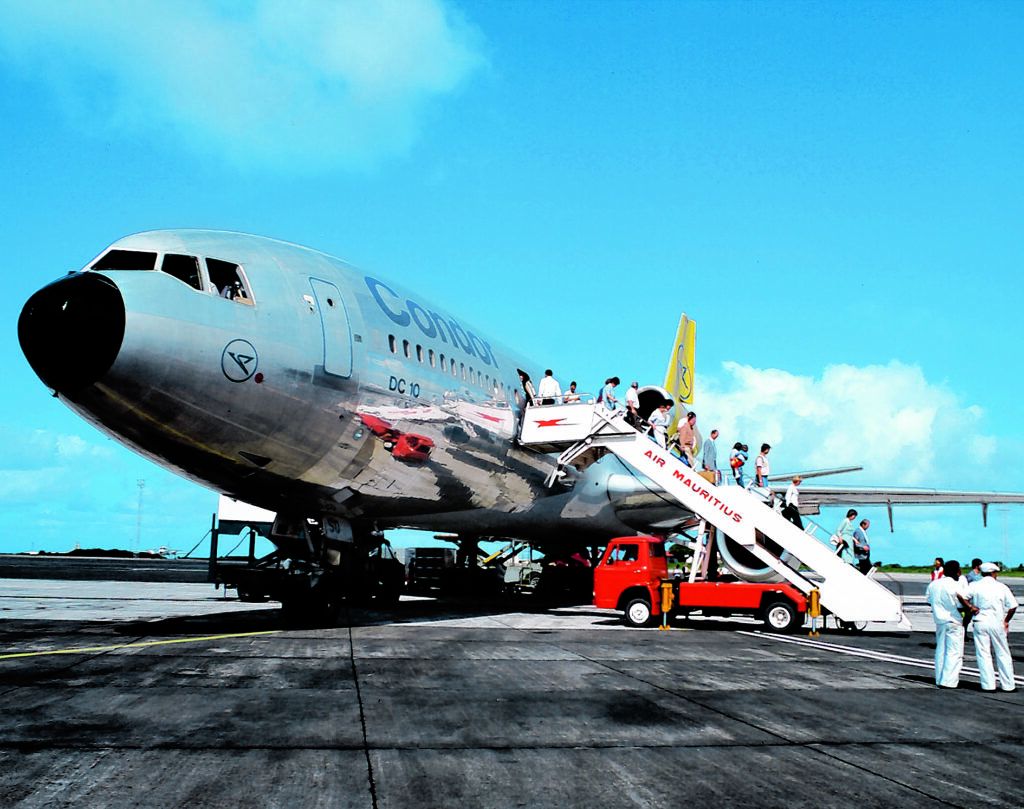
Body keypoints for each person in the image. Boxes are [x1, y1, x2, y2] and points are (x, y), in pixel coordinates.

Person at [967, 562, 1018, 692]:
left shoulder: (974, 585)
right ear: (993, 573)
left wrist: (971, 607)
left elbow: (962, 597)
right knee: (1003, 653)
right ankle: (1008, 685)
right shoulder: (1002, 587)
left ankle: (988, 685)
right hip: (997, 621)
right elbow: (1013, 606)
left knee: (983, 653)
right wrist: (1006, 620)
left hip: (980, 621)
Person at [926, 560, 973, 689]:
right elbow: (961, 604)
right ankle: (949, 681)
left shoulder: (933, 585)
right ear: (956, 571)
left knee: (941, 650)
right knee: (954, 652)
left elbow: (929, 601)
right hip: (954, 620)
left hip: (940, 621)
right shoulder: (956, 586)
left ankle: (939, 678)